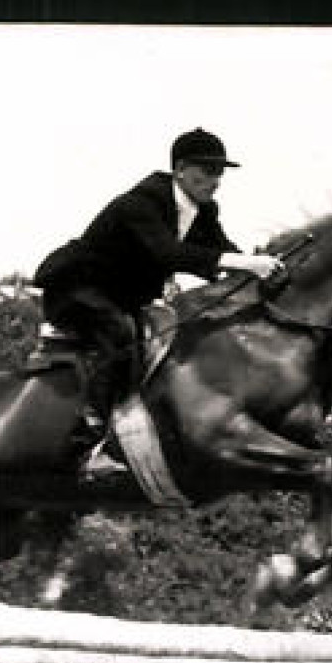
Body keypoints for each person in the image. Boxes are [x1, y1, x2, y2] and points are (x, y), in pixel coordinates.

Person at [33, 127, 284, 443]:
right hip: (76, 289)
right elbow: (168, 253)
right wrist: (247, 264)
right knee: (121, 333)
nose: (216, 180)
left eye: (219, 172)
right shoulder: (141, 203)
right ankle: (92, 423)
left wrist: (264, 266)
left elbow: (224, 251)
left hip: (119, 297)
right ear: (180, 170)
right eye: (207, 171)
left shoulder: (203, 210)